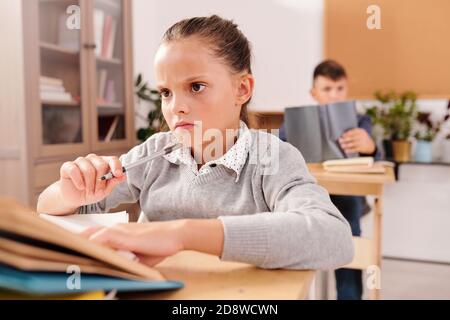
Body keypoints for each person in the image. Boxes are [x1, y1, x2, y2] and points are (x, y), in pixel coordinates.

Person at [37, 16, 353, 271]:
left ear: (242, 89)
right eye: (166, 92)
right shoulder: (154, 153)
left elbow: (333, 238)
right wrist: (68, 192)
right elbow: (56, 213)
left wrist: (182, 234)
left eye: (196, 86)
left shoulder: (271, 157)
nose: (176, 107)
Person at [279, 59, 380, 299]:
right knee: (291, 218)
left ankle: (349, 295)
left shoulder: (360, 121)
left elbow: (378, 154)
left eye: (340, 89)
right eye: (327, 89)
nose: (334, 95)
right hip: (309, 193)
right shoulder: (296, 121)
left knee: (348, 226)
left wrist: (369, 146)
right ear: (314, 93)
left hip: (346, 195)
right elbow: (278, 149)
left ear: (347, 90)